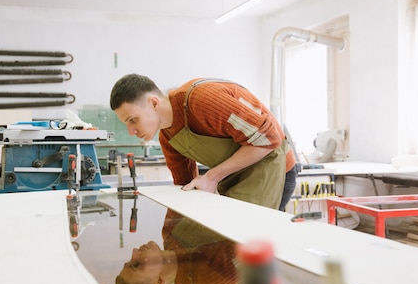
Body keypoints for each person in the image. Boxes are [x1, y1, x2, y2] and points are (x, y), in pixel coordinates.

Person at [110, 74, 297, 210]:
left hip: (273, 167)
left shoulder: (202, 100)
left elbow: (269, 138)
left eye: (133, 120)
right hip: (236, 178)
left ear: (153, 103)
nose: (131, 131)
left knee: (250, 243)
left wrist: (213, 177)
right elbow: (186, 187)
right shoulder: (168, 138)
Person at [115, 210, 240, 284]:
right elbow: (256, 241)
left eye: (130, 260)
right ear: (159, 280)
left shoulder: (170, 234)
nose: (134, 251)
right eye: (137, 264)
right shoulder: (206, 282)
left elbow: (184, 186)